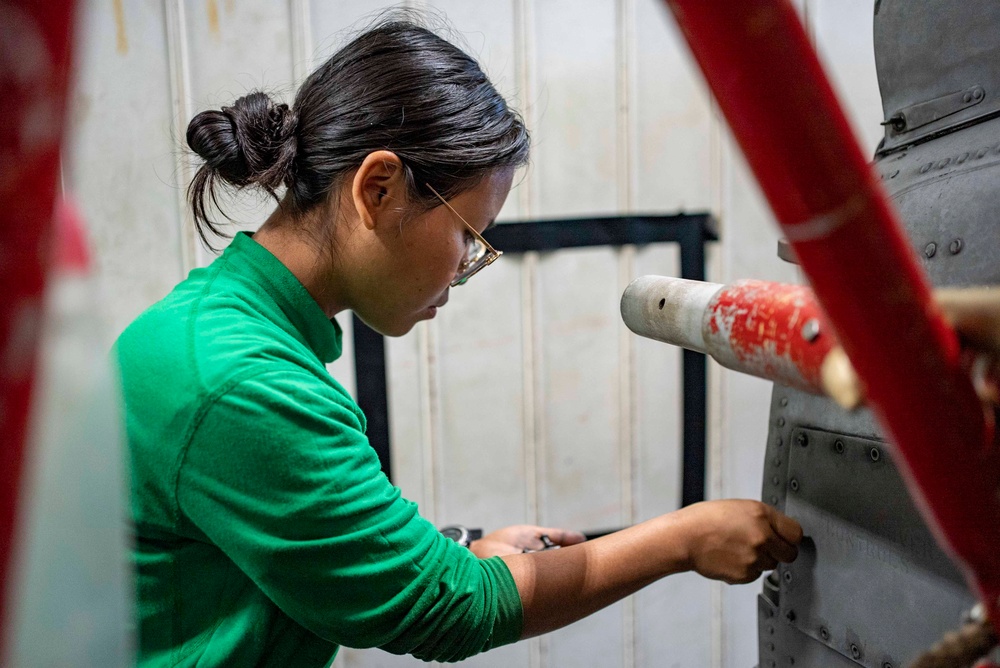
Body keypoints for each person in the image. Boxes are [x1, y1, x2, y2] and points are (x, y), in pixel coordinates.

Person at [114, 16, 803, 666]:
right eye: (467, 239)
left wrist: (460, 551)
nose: (463, 272)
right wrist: (682, 539)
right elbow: (442, 610)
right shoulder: (244, 383)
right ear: (377, 189)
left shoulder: (221, 330)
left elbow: (300, 551)